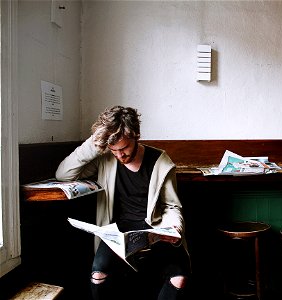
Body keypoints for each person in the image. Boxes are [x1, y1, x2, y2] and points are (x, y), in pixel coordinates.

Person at [56, 106, 190, 300]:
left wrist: (175, 227)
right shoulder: (105, 158)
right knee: (97, 276)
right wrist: (95, 143)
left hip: (154, 229)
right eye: (114, 150)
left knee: (179, 278)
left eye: (124, 148)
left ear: (136, 135)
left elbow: (171, 206)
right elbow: (64, 174)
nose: (120, 155)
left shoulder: (160, 161)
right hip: (116, 232)